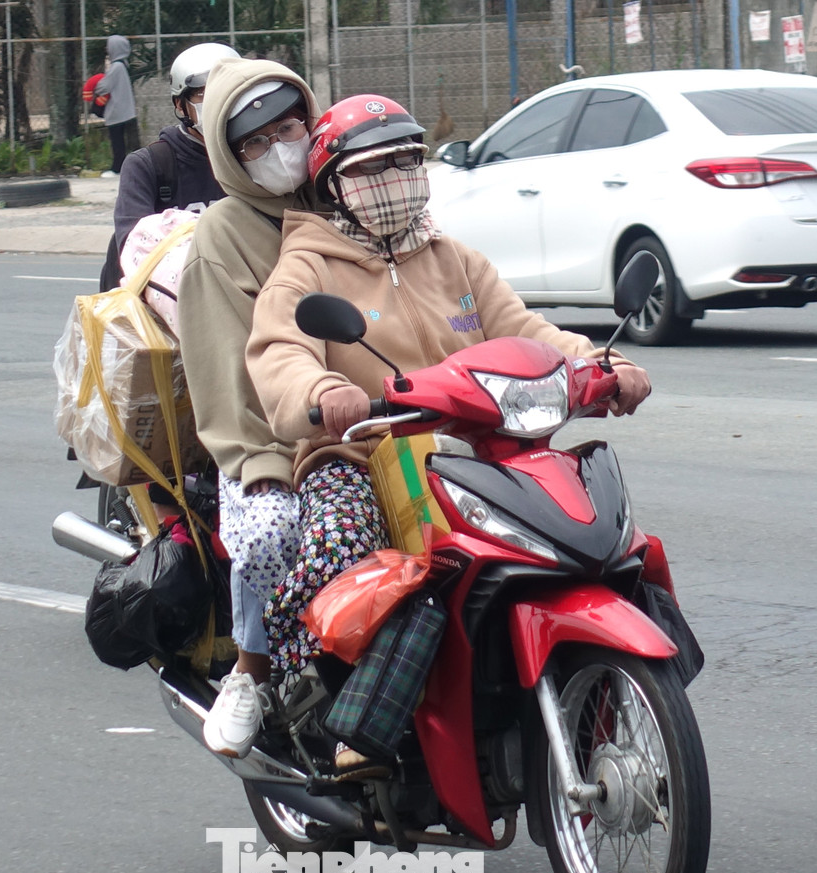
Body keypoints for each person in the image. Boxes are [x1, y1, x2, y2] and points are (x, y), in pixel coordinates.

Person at [245, 94, 652, 676]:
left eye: (406, 161)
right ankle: (308, 690)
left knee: (594, 537)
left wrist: (601, 366)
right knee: (341, 546)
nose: (394, 178)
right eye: (370, 168)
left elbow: (526, 331)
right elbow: (282, 350)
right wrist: (322, 393)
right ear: (333, 183)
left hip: (473, 453)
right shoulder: (309, 265)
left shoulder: (454, 259)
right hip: (360, 454)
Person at [177, 58, 323, 758]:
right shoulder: (222, 237)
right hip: (273, 444)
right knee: (271, 535)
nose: (278, 148)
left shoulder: (350, 193)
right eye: (254, 143)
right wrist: (264, 462)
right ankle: (251, 670)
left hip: (382, 429)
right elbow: (225, 376)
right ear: (229, 158)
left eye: (288, 127)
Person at [97, 41, 239, 293]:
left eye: (228, 90)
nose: (218, 101)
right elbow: (135, 250)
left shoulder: (255, 155)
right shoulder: (148, 166)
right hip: (172, 308)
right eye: (203, 94)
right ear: (180, 105)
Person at [95, 35, 138, 179]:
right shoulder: (123, 65)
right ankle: (122, 167)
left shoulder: (116, 67)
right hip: (124, 110)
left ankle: (117, 168)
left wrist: (93, 84)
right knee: (123, 141)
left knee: (117, 141)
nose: (107, 49)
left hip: (117, 110)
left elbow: (104, 87)